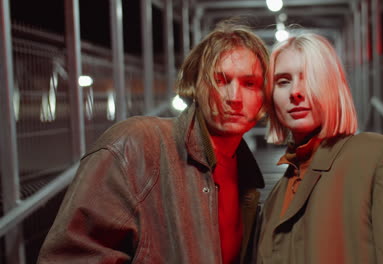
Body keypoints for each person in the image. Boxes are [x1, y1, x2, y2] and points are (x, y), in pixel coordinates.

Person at [38, 21, 269, 264]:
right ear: (196, 85)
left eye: (249, 84)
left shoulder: (246, 178)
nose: (234, 98)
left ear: (265, 96)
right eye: (220, 81)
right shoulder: (136, 144)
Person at [256, 33, 383, 263]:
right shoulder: (276, 197)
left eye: (311, 78)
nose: (296, 92)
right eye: (283, 81)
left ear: (333, 87)